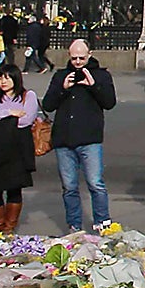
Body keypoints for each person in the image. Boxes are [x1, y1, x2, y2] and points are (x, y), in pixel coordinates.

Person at [46, 39, 118, 233]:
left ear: (90, 54)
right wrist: (63, 88)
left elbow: (110, 102)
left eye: (82, 58)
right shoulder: (61, 75)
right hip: (64, 139)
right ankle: (74, 226)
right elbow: (47, 105)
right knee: (69, 187)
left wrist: (93, 86)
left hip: (89, 139)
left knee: (96, 183)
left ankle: (103, 223)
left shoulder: (101, 75)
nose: (78, 62)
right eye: (74, 58)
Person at [0, 65, 39, 234]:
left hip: (16, 149)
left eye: (7, 78)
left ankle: (9, 228)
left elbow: (25, 120)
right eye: (0, 78)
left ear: (16, 79)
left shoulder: (28, 96)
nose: (3, 82)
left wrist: (1, 120)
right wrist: (9, 112)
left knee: (14, 188)